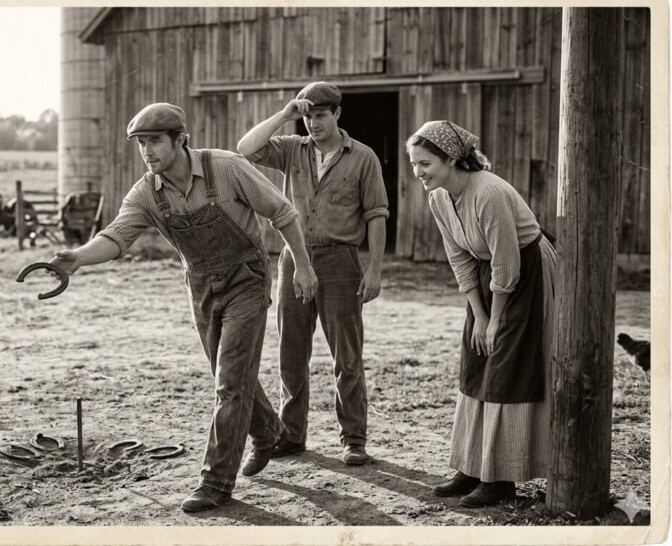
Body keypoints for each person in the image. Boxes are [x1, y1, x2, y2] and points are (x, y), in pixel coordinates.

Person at [48, 103, 318, 513]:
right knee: (230, 374)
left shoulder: (227, 168)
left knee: (229, 382)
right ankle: (267, 432)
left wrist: (301, 265)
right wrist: (80, 257)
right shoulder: (146, 192)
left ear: (180, 140)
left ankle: (216, 482)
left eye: (155, 141)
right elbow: (118, 234)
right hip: (202, 286)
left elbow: (282, 212)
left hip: (247, 279)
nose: (147, 152)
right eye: (141, 144)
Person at [237, 82, 389, 466]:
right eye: (307, 116)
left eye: (320, 115)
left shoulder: (364, 157)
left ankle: (353, 439)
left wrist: (374, 269)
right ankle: (291, 435)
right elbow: (247, 149)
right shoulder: (292, 148)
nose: (313, 123)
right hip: (294, 258)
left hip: (341, 261)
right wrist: (285, 115)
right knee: (292, 352)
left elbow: (376, 213)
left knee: (347, 356)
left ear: (337, 114)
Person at [405, 120, 556, 507]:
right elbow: (459, 259)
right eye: (414, 164)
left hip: (526, 272)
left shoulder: (487, 191)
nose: (418, 173)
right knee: (475, 361)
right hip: (490, 277)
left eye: (425, 164)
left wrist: (499, 320)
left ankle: (501, 478)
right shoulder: (439, 197)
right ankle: (472, 467)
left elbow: (508, 263)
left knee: (508, 364)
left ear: (452, 159)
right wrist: (480, 316)